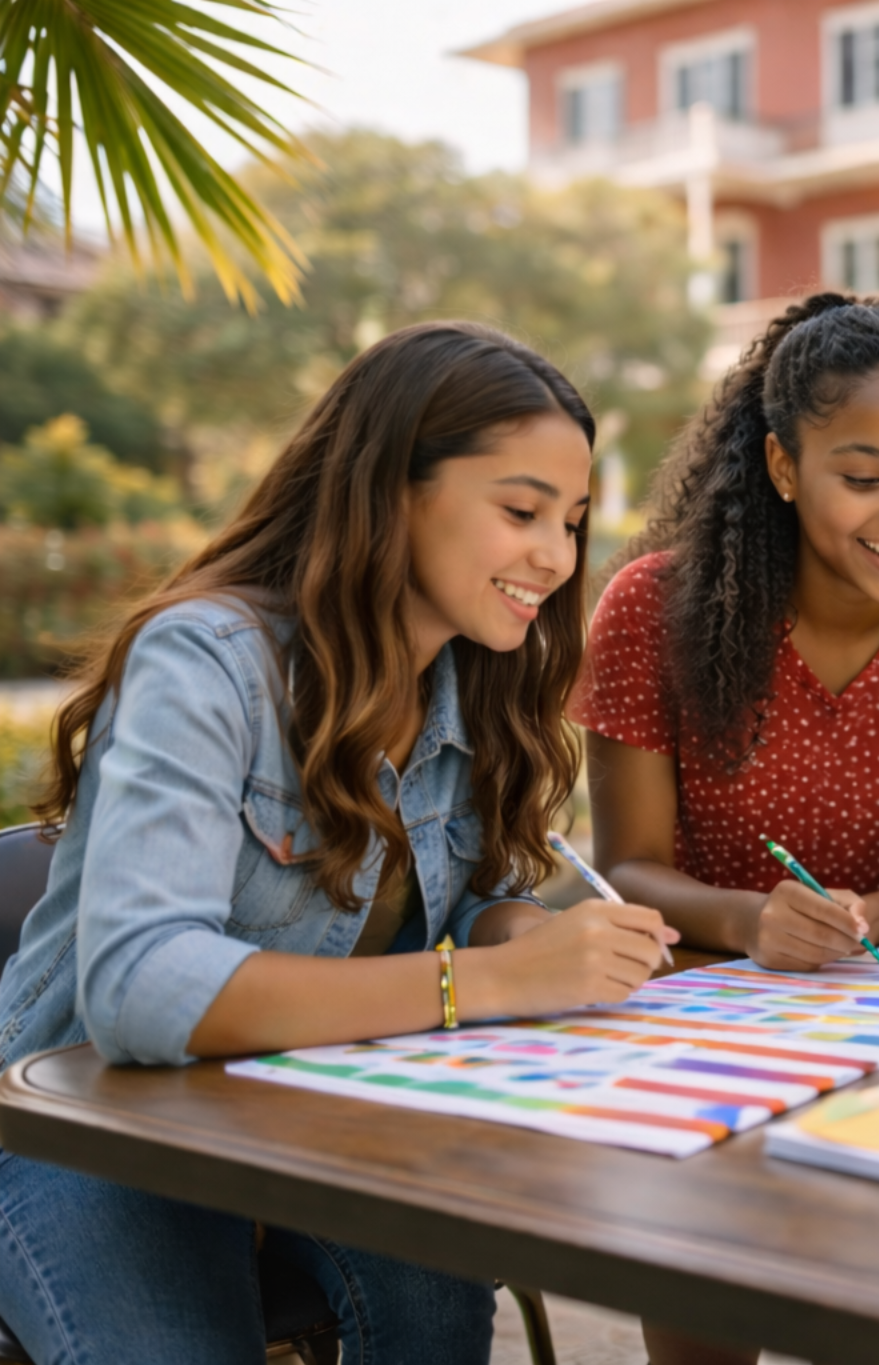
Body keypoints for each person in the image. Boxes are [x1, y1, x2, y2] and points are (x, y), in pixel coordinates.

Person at [0, 321, 679, 1365]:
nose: (556, 555)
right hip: (85, 1126)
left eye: (574, 520)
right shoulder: (207, 663)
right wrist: (475, 984)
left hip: (315, 1114)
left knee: (436, 1309)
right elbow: (141, 987)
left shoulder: (475, 685)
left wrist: (520, 938)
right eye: (520, 510)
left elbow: (472, 899)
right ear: (391, 489)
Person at [577, 294, 879, 1364]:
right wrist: (749, 923)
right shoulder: (655, 606)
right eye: (863, 478)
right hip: (693, 1023)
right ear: (783, 468)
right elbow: (626, 867)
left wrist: (869, 913)